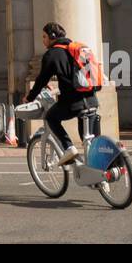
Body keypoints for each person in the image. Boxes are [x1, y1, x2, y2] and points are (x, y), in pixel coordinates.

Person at [25, 22, 98, 165]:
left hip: (72, 103)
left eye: (45, 36)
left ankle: (68, 147)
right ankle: (100, 178)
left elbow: (41, 80)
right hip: (92, 100)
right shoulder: (76, 50)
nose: (43, 40)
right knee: (89, 141)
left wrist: (29, 97)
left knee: (51, 117)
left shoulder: (52, 54)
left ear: (52, 37)